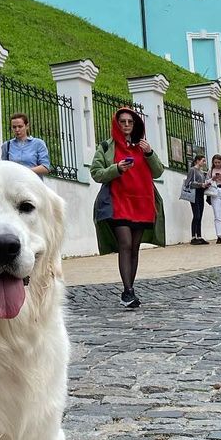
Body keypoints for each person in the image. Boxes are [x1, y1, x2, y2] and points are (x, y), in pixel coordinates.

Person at [90, 107, 165, 309]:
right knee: (125, 243)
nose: (126, 125)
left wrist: (149, 153)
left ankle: (129, 291)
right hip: (118, 202)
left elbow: (158, 172)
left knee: (134, 247)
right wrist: (117, 168)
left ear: (135, 124)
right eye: (122, 121)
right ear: (116, 124)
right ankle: (127, 290)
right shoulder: (107, 146)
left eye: (130, 122)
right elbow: (96, 173)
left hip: (142, 203)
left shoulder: (142, 146)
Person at [183, 153, 210, 244]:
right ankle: (193, 237)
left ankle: (199, 236)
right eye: (203, 161)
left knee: (200, 215)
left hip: (200, 194)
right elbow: (188, 183)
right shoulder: (192, 170)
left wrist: (206, 185)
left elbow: (202, 184)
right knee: (196, 215)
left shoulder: (201, 172)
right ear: (197, 161)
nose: (204, 163)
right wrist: (200, 184)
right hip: (194, 194)